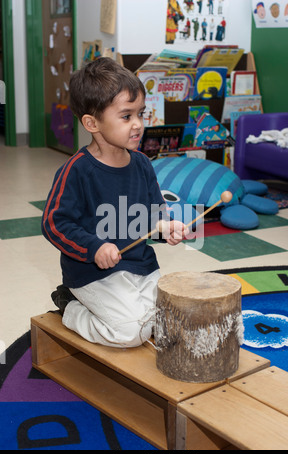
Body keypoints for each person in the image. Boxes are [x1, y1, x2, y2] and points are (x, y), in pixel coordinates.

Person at [42, 57, 189, 348]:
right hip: (92, 275)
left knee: (170, 321)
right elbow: (54, 224)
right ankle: (70, 306)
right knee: (129, 333)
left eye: (141, 114)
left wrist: (165, 227)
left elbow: (154, 213)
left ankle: (130, 313)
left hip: (142, 267)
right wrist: (94, 247)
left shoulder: (143, 164)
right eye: (126, 116)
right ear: (91, 123)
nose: (138, 125)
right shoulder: (77, 171)